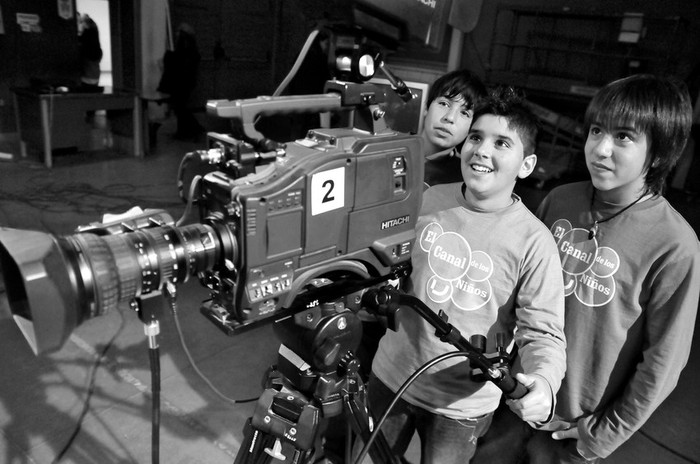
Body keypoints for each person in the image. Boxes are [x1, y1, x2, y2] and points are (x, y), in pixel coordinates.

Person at [482, 74, 699, 464]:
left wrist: (599, 436)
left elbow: (663, 362)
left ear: (661, 151)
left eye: (623, 137)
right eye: (596, 130)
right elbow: (517, 295)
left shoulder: (675, 245)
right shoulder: (560, 201)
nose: (600, 149)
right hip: (514, 400)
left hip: (574, 427)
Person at [362, 86, 567, 463]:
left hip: (463, 407)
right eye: (476, 137)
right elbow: (382, 267)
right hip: (391, 377)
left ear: (526, 165)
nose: (482, 151)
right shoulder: (426, 201)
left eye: (502, 143)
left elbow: (544, 333)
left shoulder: (534, 242)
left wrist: (544, 382)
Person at [421, 69, 487, 187]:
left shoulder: (467, 177)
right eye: (444, 104)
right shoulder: (391, 148)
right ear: (426, 107)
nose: (450, 117)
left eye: (464, 113)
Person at [158, 23, 203, 140]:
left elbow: (180, 63)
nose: (176, 34)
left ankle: (189, 130)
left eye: (179, 32)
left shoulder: (185, 46)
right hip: (185, 82)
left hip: (182, 82)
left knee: (180, 108)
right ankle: (190, 129)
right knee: (180, 108)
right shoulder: (191, 48)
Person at [78, 14, 103, 92]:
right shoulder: (97, 49)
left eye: (81, 22)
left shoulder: (83, 47)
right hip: (95, 79)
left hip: (85, 80)